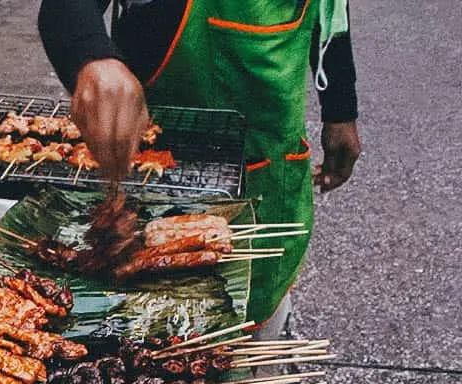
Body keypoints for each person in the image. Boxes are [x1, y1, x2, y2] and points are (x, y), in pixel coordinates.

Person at [38, 0, 362, 325]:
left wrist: (340, 105)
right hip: (151, 171)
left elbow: (330, 10)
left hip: (268, 161)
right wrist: (91, 57)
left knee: (254, 327)